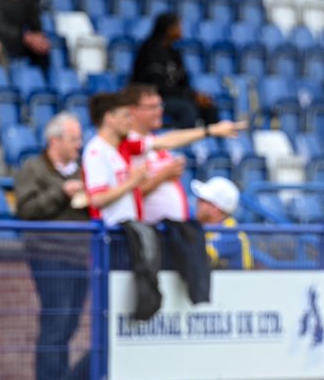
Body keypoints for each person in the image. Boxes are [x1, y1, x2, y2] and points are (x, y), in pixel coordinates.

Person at [12, 111, 92, 380]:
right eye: (73, 139)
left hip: (78, 254)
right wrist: (61, 192)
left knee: (70, 322)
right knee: (55, 321)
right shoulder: (33, 169)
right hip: (48, 254)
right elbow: (27, 209)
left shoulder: (83, 171)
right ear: (54, 140)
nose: (79, 145)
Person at [81, 93, 246, 224]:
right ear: (109, 118)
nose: (129, 120)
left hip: (128, 230)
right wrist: (135, 181)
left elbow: (167, 140)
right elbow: (97, 199)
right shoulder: (96, 150)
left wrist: (210, 130)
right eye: (125, 115)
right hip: (110, 233)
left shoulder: (122, 147)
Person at [129, 13, 218, 129]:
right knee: (186, 109)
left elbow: (183, 82)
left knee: (209, 107)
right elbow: (156, 85)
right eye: (178, 26)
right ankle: (181, 143)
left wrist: (195, 96)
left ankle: (210, 143)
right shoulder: (150, 50)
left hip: (174, 96)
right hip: (151, 97)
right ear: (169, 28)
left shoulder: (174, 53)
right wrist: (188, 95)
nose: (181, 29)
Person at [125, 84, 189, 225]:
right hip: (150, 232)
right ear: (133, 110)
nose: (159, 111)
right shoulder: (127, 144)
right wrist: (164, 175)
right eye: (152, 107)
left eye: (160, 106)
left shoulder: (155, 141)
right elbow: (131, 193)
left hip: (172, 232)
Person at [191, 177, 252, 270]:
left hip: (237, 284)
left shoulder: (231, 233)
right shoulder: (206, 227)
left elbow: (201, 257)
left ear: (216, 208)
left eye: (203, 200)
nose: (197, 202)